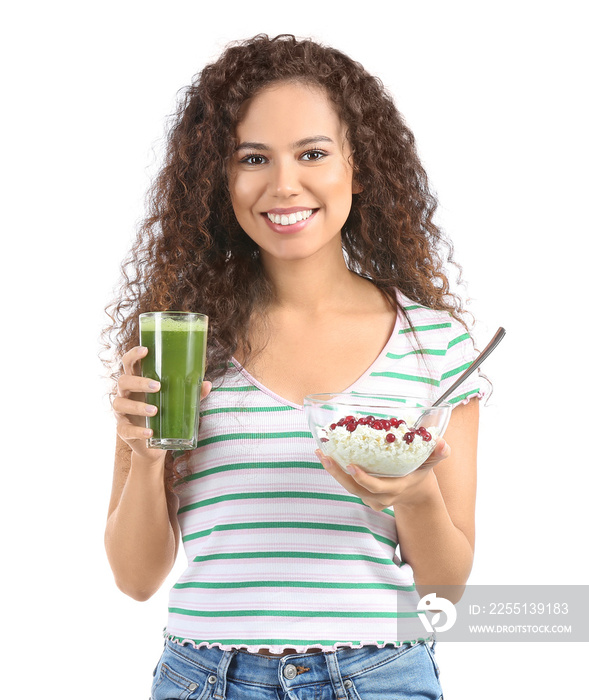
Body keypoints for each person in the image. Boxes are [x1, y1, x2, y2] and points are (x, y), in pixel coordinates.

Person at [103, 33, 483, 700]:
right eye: (253, 158)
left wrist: (413, 492)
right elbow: (135, 579)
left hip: (377, 675)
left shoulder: (435, 347)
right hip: (205, 677)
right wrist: (145, 453)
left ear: (357, 168)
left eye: (312, 153)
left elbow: (444, 588)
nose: (284, 185)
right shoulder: (178, 347)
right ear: (219, 181)